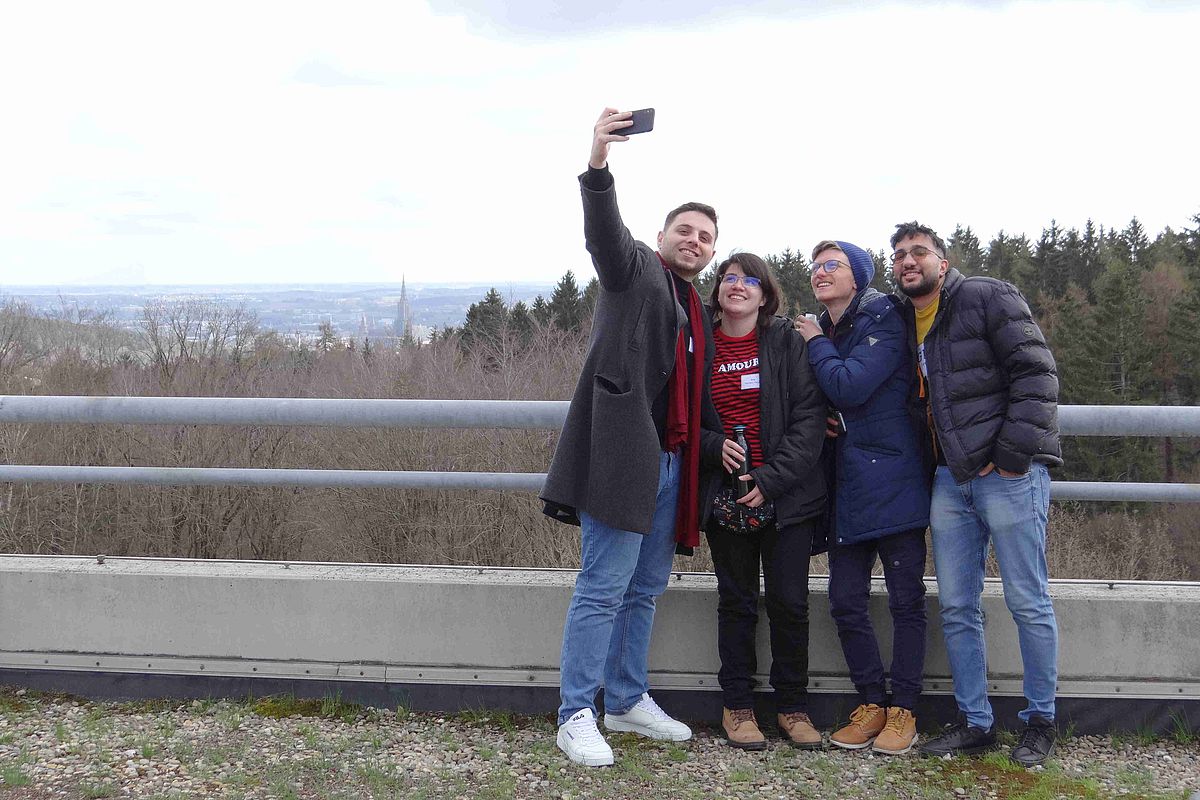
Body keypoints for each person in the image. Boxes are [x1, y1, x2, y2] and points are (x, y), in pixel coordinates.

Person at [540, 108, 725, 767]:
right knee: (602, 588)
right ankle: (576, 713)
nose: (695, 241)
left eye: (706, 237)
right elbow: (604, 235)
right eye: (686, 230)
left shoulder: (696, 306)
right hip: (623, 460)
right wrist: (598, 161)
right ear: (661, 236)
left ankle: (624, 698)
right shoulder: (636, 270)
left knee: (644, 590)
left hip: (672, 466)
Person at [887, 221, 1062, 767]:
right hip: (949, 480)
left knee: (1027, 601)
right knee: (958, 606)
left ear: (943, 261)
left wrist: (1009, 458)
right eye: (899, 254)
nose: (908, 260)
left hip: (1008, 477)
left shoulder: (987, 296)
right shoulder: (904, 320)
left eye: (919, 251)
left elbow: (1037, 376)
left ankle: (1040, 721)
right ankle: (975, 722)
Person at [793, 240, 930, 755]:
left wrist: (813, 341)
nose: (819, 272)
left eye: (832, 265)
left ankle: (905, 710)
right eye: (815, 266)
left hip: (894, 479)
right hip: (848, 485)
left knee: (905, 601)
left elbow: (849, 385)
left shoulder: (882, 318)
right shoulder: (834, 329)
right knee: (846, 601)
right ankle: (871, 703)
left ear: (858, 276)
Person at [702, 252, 827, 751]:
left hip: (786, 496)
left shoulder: (784, 342)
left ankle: (792, 708)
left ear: (765, 294)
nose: (738, 286)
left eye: (749, 280)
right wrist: (713, 446)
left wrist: (771, 479)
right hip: (725, 497)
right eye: (729, 278)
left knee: (789, 604)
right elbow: (682, 417)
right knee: (736, 603)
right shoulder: (701, 344)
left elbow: (809, 419)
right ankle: (738, 707)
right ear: (718, 290)